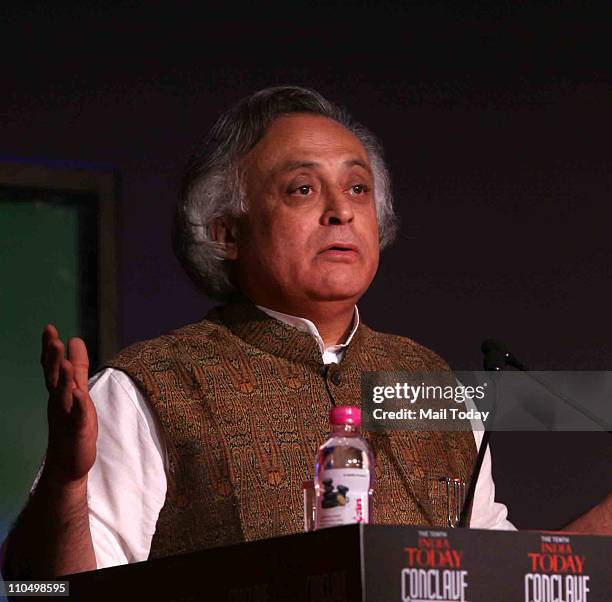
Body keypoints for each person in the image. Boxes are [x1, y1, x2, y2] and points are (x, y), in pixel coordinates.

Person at [1, 86, 609, 580]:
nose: (341, 210)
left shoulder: (427, 383)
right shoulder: (156, 387)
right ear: (225, 233)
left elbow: (506, 577)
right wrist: (66, 483)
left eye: (357, 188)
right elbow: (43, 590)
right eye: (302, 189)